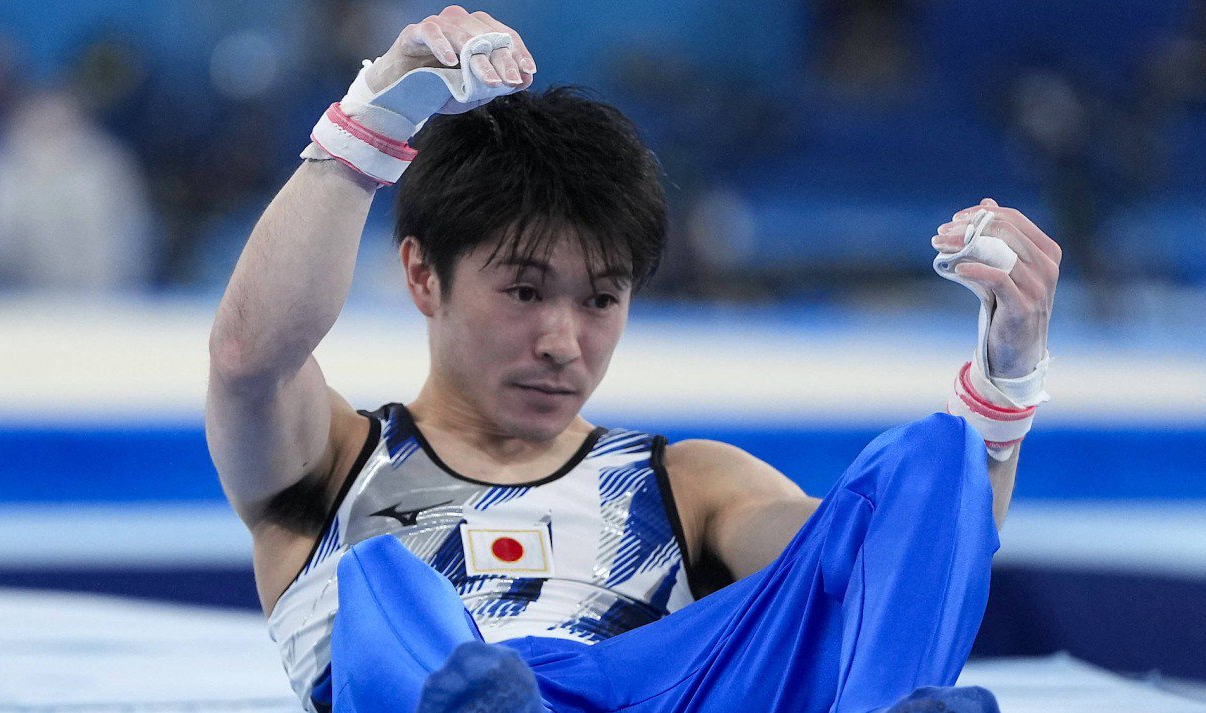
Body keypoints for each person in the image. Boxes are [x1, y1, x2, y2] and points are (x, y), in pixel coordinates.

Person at [204, 7, 1061, 711]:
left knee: (936, 462)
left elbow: (888, 566)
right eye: (525, 291)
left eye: (600, 299)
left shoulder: (689, 486)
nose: (562, 340)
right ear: (424, 274)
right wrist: (373, 119)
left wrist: (1005, 384)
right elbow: (249, 357)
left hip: (653, 695)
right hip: (433, 683)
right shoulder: (331, 465)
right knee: (383, 584)